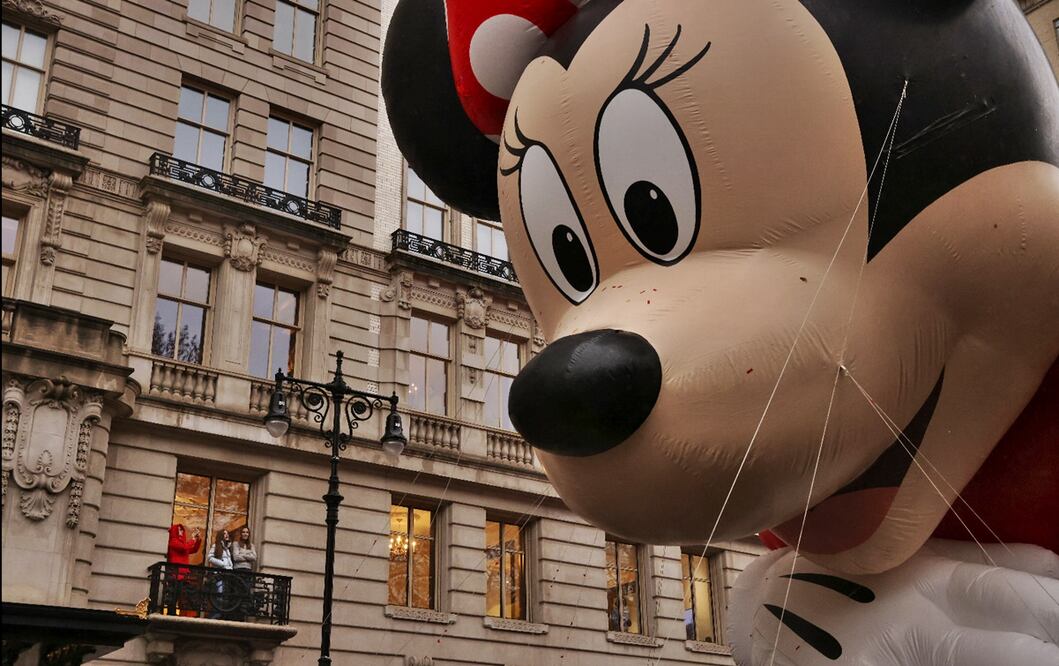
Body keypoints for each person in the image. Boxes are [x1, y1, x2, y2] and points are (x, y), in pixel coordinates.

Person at [165, 524, 201, 616]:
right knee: (174, 597)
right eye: (179, 530)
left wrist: (197, 539)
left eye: (182, 530)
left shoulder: (182, 543)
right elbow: (185, 547)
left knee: (183, 597)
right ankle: (171, 615)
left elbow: (194, 550)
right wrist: (193, 539)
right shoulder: (173, 541)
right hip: (175, 574)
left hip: (183, 575)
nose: (181, 532)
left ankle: (181, 614)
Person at [232, 526, 258, 619]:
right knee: (238, 591)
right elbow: (235, 557)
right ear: (241, 534)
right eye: (243, 532)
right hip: (238, 570)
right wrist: (248, 554)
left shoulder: (252, 545)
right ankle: (236, 614)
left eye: (247, 532)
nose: (245, 534)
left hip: (248, 571)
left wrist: (242, 554)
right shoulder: (235, 544)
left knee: (246, 591)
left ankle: (243, 612)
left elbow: (254, 558)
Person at [207, 529, 234, 619]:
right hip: (218, 575)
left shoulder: (227, 548)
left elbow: (229, 561)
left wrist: (230, 567)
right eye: (224, 533)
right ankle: (214, 615)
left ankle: (220, 615)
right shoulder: (216, 546)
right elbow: (210, 558)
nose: (226, 535)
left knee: (224, 596)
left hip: (227, 575)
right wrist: (222, 564)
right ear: (221, 535)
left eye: (227, 533)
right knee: (219, 594)